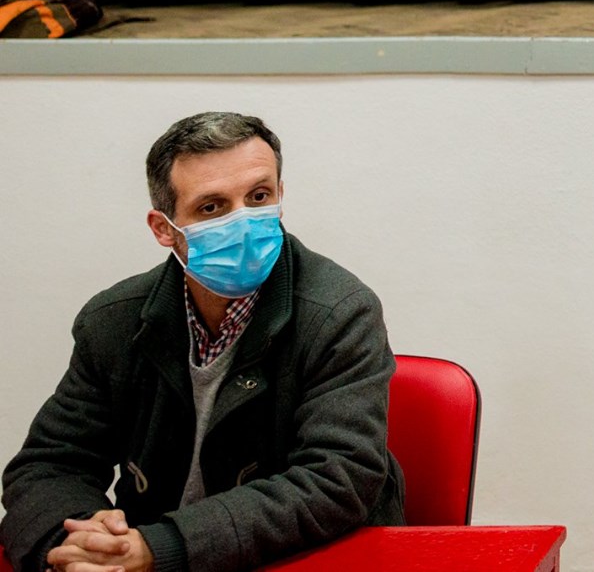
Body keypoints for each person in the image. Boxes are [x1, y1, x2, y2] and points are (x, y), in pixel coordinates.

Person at [1, 112, 404, 572]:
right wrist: (78, 544)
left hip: (301, 558)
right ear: (163, 228)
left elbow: (338, 478)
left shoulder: (341, 312)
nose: (243, 221)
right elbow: (49, 465)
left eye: (258, 197)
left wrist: (160, 548)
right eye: (212, 207)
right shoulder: (112, 321)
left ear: (280, 195)